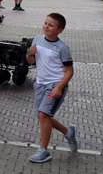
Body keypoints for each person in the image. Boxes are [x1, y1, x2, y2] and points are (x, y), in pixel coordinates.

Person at [24, 13, 77, 163]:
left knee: (43, 115)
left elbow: (69, 71)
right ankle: (68, 132)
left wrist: (59, 87)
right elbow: (30, 61)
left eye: (51, 25)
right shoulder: (37, 40)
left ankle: (43, 151)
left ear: (59, 30)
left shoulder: (62, 48)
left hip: (55, 85)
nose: (46, 26)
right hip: (40, 84)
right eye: (45, 23)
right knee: (43, 117)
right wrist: (29, 53)